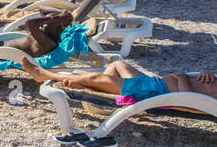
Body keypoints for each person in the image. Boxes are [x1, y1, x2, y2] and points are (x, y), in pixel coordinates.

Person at [20, 58, 217, 103]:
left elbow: (184, 98)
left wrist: (182, 77)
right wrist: (207, 72)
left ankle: (44, 75)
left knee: (96, 76)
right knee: (118, 64)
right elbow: (200, 82)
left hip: (153, 93)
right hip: (152, 83)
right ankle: (100, 91)